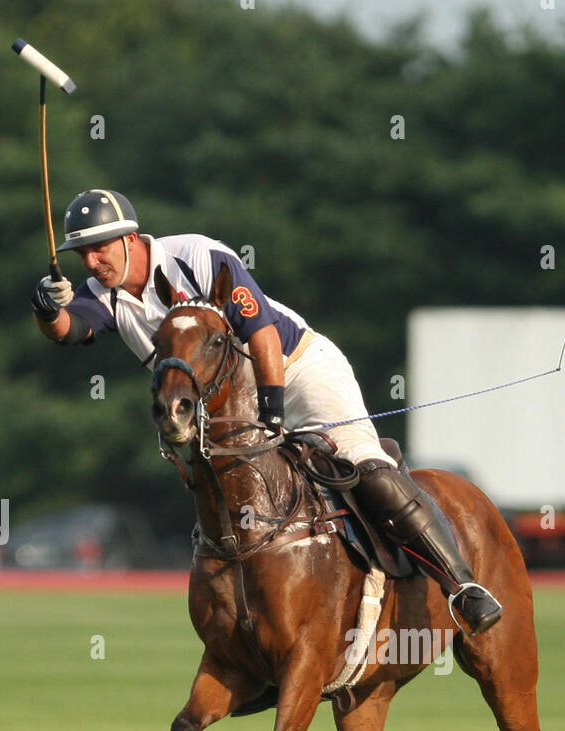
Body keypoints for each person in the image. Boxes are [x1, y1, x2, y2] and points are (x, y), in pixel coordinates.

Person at [32, 189, 502, 634]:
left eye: (100, 248)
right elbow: (69, 330)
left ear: (131, 238)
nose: (92, 262)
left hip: (295, 370)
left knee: (362, 461)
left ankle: (462, 584)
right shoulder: (102, 293)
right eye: (83, 254)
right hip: (230, 404)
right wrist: (45, 307)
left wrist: (273, 408)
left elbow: (262, 333)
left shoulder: (196, 255)